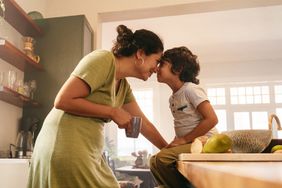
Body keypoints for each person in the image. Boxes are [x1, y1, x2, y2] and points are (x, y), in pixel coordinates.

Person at [27, 25, 168, 188]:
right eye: (157, 61)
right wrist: (113, 112)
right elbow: (62, 100)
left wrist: (169, 151)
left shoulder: (123, 85)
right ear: (141, 53)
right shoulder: (103, 60)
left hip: (88, 150)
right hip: (65, 144)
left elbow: (145, 124)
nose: (157, 68)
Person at [150, 46, 218, 188]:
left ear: (178, 69)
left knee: (162, 159)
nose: (156, 68)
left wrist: (184, 140)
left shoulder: (191, 89)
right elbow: (184, 123)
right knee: (153, 161)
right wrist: (177, 140)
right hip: (190, 142)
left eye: (162, 64)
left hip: (206, 143)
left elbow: (212, 119)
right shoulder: (173, 98)